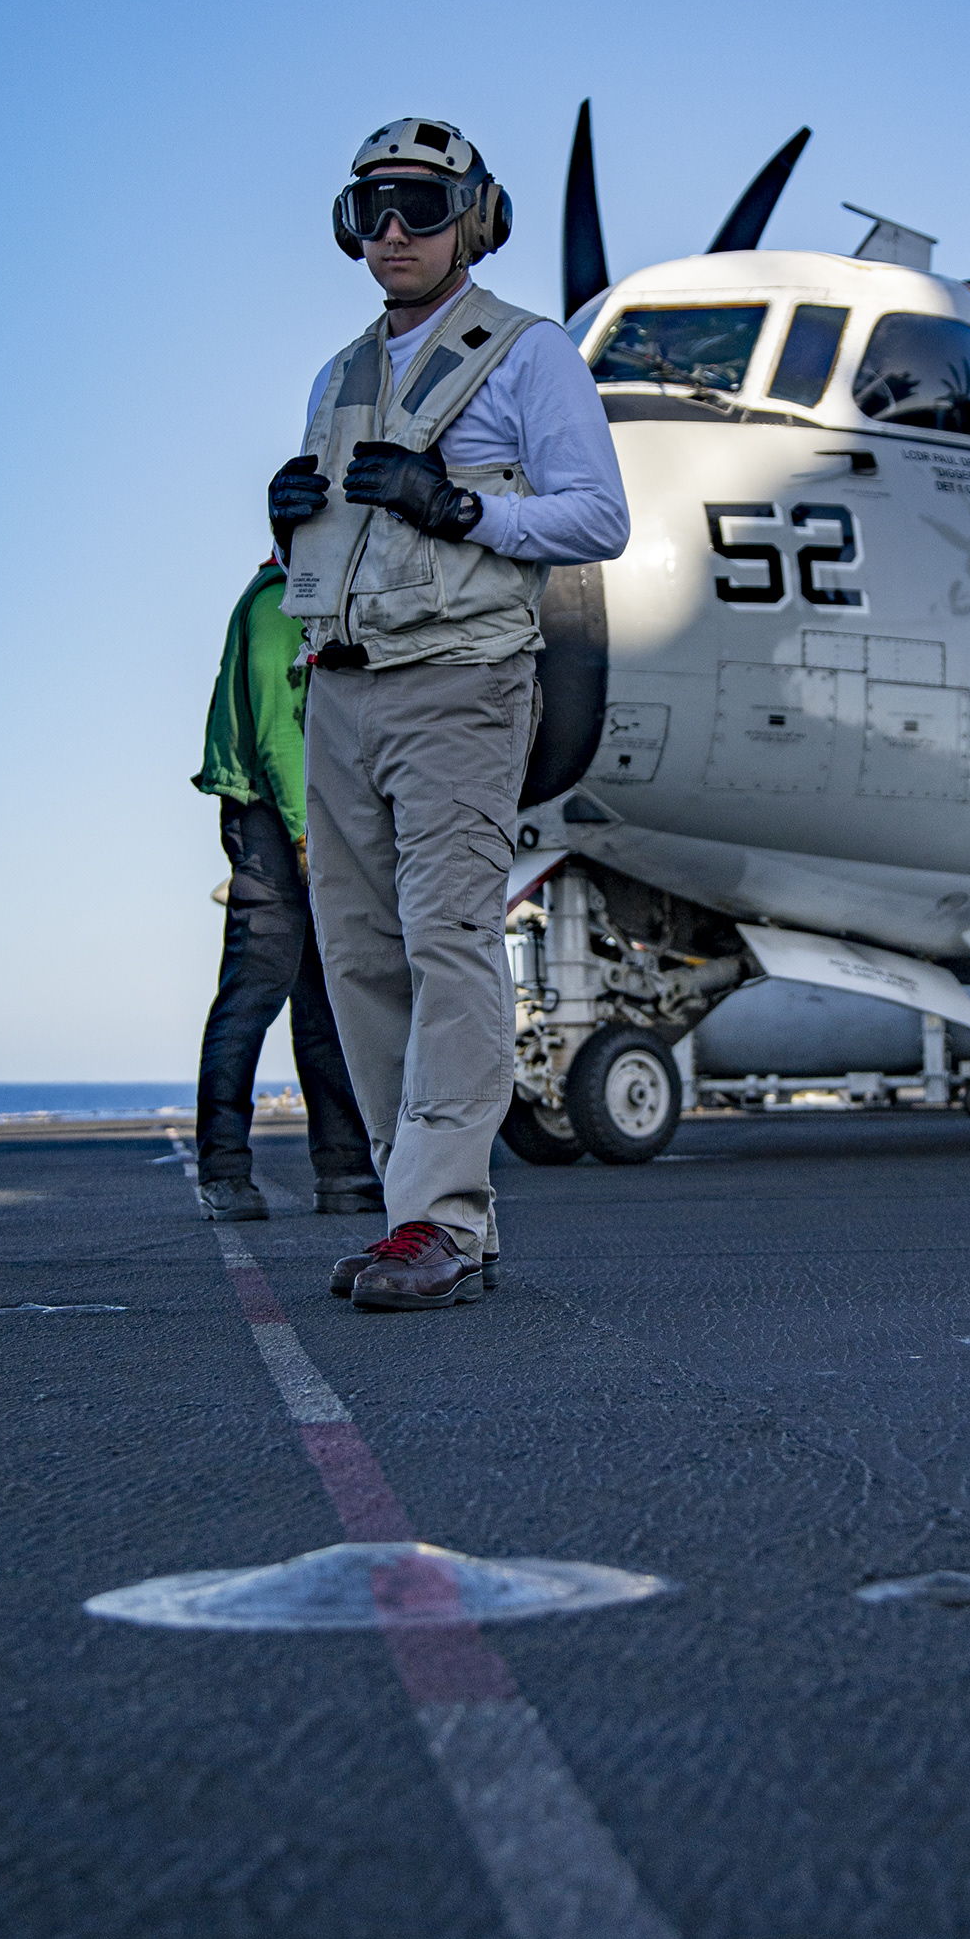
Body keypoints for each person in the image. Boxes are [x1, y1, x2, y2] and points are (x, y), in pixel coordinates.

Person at [268, 118, 629, 1312]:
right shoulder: (339, 375)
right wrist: (286, 526)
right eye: (369, 208)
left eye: (419, 207)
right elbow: (351, 544)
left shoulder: (530, 355)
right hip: (340, 684)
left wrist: (462, 509)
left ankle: (441, 1218)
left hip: (461, 680)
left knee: (447, 937)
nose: (391, 232)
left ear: (472, 221)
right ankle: (414, 1213)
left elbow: (598, 517)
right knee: (358, 955)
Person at [191, 562, 381, 1220]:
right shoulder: (278, 604)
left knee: (324, 1001)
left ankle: (346, 1171)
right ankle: (223, 1172)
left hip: (298, 814)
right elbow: (278, 731)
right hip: (270, 816)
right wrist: (304, 838)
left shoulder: (296, 598)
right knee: (254, 988)